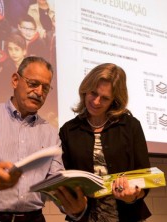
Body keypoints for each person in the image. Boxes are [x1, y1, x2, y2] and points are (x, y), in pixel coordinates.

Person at [0, 56, 87, 222]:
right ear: (15, 80)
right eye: (33, 84)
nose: (39, 92)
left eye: (46, 88)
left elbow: (55, 181)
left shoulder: (50, 133)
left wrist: (73, 207)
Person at [59, 63, 152, 222]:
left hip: (127, 216)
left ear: (115, 100)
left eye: (105, 98)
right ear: (85, 89)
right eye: (93, 93)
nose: (96, 101)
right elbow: (64, 182)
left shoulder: (130, 126)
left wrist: (133, 196)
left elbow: (144, 177)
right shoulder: (68, 130)